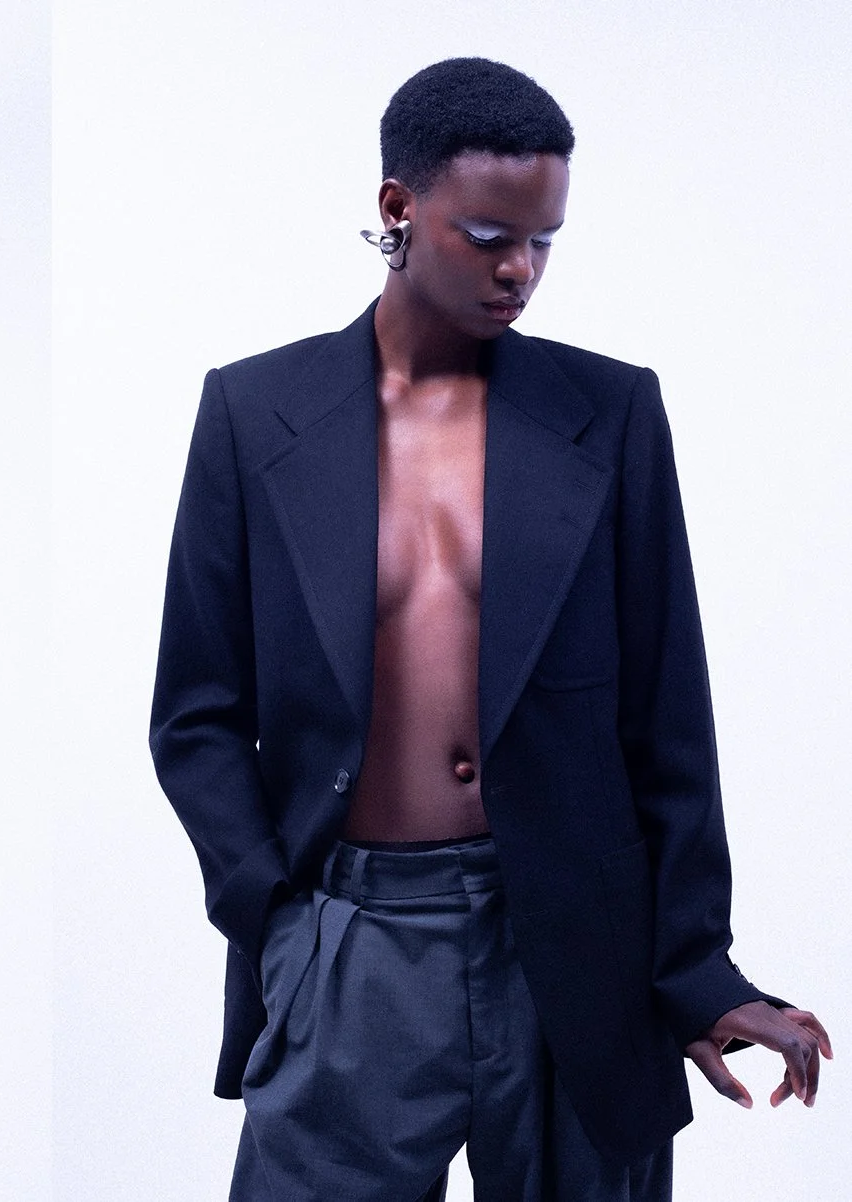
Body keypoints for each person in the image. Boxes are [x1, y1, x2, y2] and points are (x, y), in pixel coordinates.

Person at [149, 58, 829, 1201]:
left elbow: (665, 716)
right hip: (352, 943)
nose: (519, 270)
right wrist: (277, 922)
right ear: (396, 209)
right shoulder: (254, 412)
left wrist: (696, 969)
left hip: (571, 947)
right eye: (486, 236)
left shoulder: (607, 411)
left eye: (543, 241)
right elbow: (195, 710)